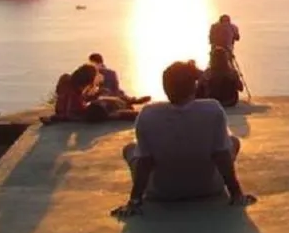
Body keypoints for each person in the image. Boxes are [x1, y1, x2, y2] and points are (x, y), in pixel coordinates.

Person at [111, 60, 256, 217]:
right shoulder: (213, 109)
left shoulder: (148, 114)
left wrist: (134, 201)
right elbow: (221, 156)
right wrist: (236, 194)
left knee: (130, 149)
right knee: (232, 142)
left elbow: (145, 162)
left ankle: (138, 199)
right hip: (208, 189)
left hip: (161, 193)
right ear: (194, 86)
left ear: (165, 88)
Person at [46, 63, 136, 123]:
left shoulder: (66, 79)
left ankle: (128, 102)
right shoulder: (75, 96)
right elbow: (72, 114)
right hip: (88, 113)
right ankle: (129, 105)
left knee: (104, 94)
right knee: (104, 106)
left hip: (80, 109)